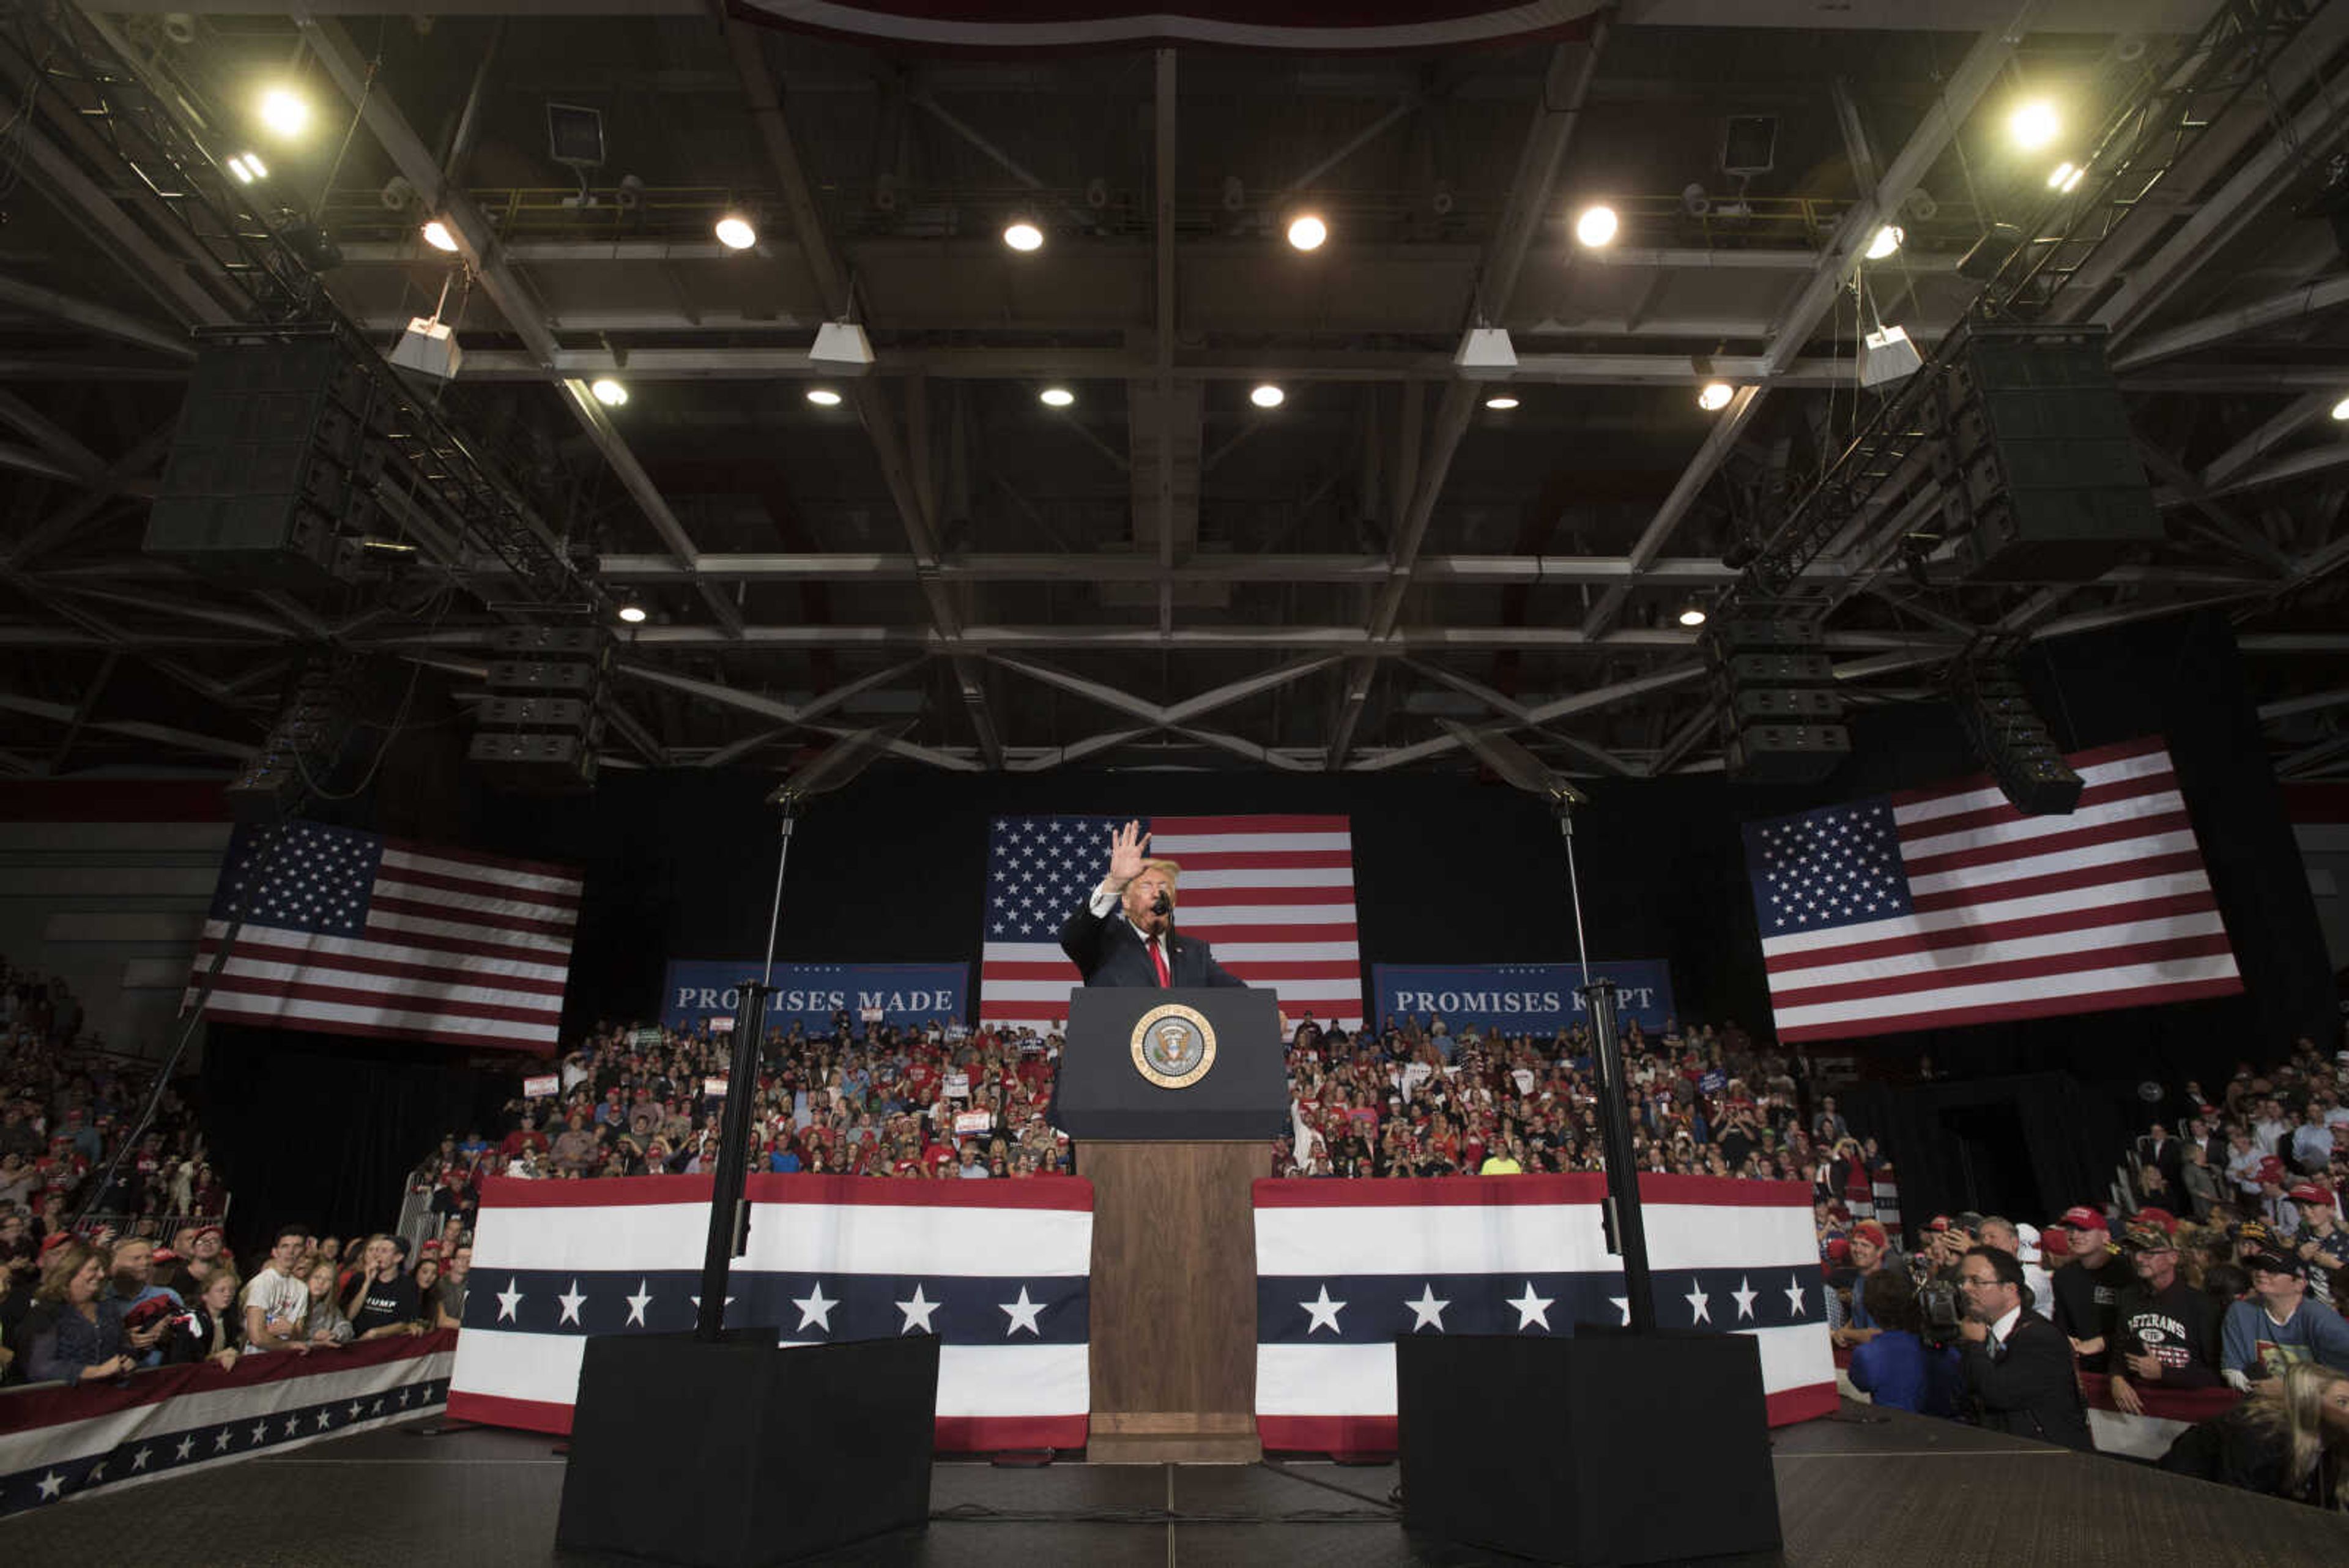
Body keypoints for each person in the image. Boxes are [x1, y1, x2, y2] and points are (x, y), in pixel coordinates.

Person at [1058, 820, 1246, 990]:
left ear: (1172, 902)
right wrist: (1115, 882)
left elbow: (1237, 994)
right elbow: (1072, 938)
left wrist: (1268, 1012)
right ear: (1126, 900)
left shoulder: (1195, 952)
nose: (1157, 893)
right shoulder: (1104, 941)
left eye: (1163, 886)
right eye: (1147, 886)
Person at [1954, 1245, 2094, 1451]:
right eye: (1962, 1281)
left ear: (2010, 1289)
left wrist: (1975, 1345)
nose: (1965, 1288)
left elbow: (1998, 1394)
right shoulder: (1981, 1332)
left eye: (1976, 1281)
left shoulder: (2039, 1336)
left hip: (2050, 1463)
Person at [2158, 1362, 2349, 1509]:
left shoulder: (2334, 1443)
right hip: (2181, 1495)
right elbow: (2235, 1500)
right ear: (2309, 1405)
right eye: (2342, 1402)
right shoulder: (2261, 1432)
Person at [2106, 1220, 2224, 1415]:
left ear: (2173, 1257)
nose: (2139, 1259)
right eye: (2134, 1252)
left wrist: (2164, 1373)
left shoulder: (2202, 1305)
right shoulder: (2128, 1297)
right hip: (2143, 1410)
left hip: (2190, 1409)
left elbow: (2216, 1376)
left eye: (2148, 1252)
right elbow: (2120, 1350)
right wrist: (2116, 1378)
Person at [19, 1238, 137, 1385]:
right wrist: (95, 1372)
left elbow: (123, 1345)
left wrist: (127, 1360)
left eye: (102, 1269)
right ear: (72, 1271)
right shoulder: (48, 1310)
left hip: (108, 1397)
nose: (101, 1275)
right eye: (94, 1269)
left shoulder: (108, 1307)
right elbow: (39, 1368)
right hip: (62, 1401)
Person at [2222, 1251, 2349, 1386]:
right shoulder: (2241, 1311)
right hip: (2259, 1399)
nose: (2261, 1273)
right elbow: (2233, 1370)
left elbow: (2340, 1380)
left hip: (2315, 1403)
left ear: (2299, 1284)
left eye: (2273, 1271)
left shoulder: (2323, 1320)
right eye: (2257, 1268)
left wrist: (2286, 1391)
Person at [1847, 1271, 1961, 1416]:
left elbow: (1861, 1383)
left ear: (1869, 1307)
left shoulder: (1866, 1355)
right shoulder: (1945, 1349)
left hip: (1893, 1430)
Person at [2049, 1206, 2129, 1361]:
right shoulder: (2062, 1277)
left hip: (2128, 1365)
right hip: (2086, 1366)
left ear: (2105, 1236)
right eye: (2070, 1230)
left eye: (2083, 1229)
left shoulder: (2128, 1272)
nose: (2074, 1235)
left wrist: (2105, 1342)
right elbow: (2063, 1325)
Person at [243, 1223, 315, 1355]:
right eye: (285, 1246)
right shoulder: (263, 1282)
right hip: (255, 1358)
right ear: (275, 1252)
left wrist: (292, 1331)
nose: (291, 1252)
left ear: (304, 1251)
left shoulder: (302, 1288)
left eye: (297, 1246)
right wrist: (290, 1345)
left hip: (285, 1359)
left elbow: (299, 1333)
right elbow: (257, 1338)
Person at [344, 1235, 425, 1340]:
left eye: (384, 1251)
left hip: (385, 1345)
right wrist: (367, 1284)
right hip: (353, 1341)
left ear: (398, 1257)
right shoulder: (358, 1279)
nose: (377, 1255)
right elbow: (348, 1316)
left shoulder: (408, 1285)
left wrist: (375, 1333)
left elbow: (405, 1323)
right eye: (377, 1250)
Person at [162, 1269, 242, 1370]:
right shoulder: (191, 1321)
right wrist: (215, 1357)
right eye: (221, 1290)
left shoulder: (229, 1321)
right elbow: (182, 1362)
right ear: (205, 1295)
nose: (228, 1294)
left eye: (232, 1290)